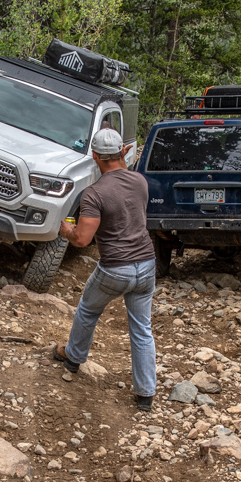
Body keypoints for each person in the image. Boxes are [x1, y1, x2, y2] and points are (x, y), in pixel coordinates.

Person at [52, 127, 159, 411]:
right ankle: (145, 394)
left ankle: (73, 358)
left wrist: (67, 231)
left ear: (95, 156)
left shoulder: (94, 193)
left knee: (88, 308)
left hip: (115, 268)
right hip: (147, 265)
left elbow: (83, 239)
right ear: (123, 151)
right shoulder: (140, 182)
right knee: (142, 329)